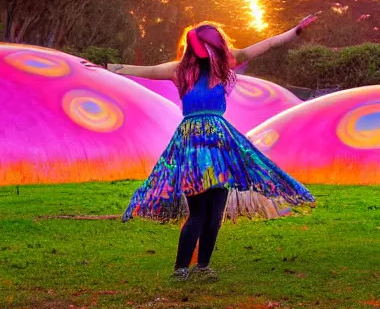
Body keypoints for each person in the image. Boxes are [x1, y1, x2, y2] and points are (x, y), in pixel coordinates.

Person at [103, 16, 318, 280]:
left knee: (215, 213)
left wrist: (294, 31)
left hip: (220, 145)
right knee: (199, 212)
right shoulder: (179, 70)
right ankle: (181, 269)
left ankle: (203, 267)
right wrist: (108, 68)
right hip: (193, 144)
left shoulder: (225, 64)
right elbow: (143, 70)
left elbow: (269, 44)